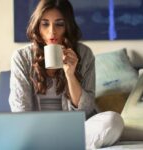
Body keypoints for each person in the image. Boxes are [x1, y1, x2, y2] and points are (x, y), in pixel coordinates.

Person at [9, 0, 124, 149]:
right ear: (37, 26)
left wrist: (70, 74)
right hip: (36, 132)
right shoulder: (22, 57)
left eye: (59, 24)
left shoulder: (84, 54)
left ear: (67, 26)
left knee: (114, 121)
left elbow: (86, 110)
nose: (52, 32)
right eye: (45, 24)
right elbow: (21, 111)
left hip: (75, 131)